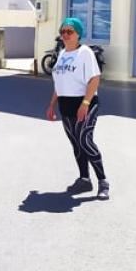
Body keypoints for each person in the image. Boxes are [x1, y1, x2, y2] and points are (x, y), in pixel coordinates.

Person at [45, 17, 110, 200]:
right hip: (66, 106)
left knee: (85, 140)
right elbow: (59, 84)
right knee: (76, 143)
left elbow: (95, 79)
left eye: (70, 31)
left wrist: (85, 103)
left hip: (85, 103)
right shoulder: (62, 54)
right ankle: (84, 179)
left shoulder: (85, 53)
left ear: (78, 34)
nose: (65, 34)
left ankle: (103, 182)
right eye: (63, 31)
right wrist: (52, 105)